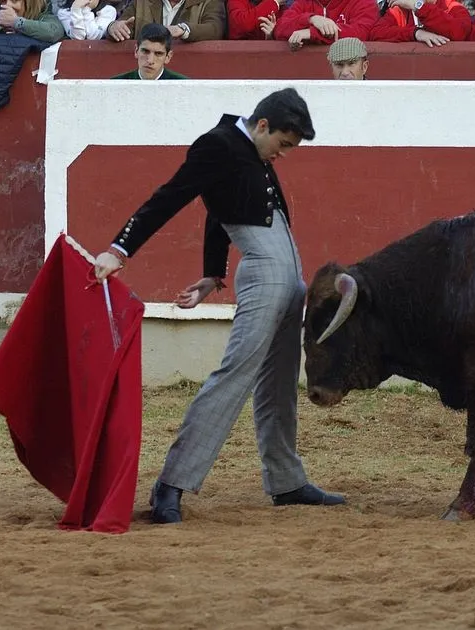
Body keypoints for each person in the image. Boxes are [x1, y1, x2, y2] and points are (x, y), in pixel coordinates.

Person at [92, 87, 346, 524]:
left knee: (280, 381)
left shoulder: (247, 151)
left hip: (290, 279)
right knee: (236, 374)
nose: (283, 155)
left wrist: (213, 275)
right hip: (266, 275)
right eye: (283, 144)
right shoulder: (218, 143)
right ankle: (171, 484)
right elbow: (169, 196)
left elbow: (217, 205)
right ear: (262, 125)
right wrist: (120, 249)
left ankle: (286, 480)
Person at [111, 23, 189, 80]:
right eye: (145, 51)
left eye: (158, 54)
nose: (150, 60)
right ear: (136, 51)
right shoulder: (115, 84)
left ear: (168, 57)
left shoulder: (184, 86)